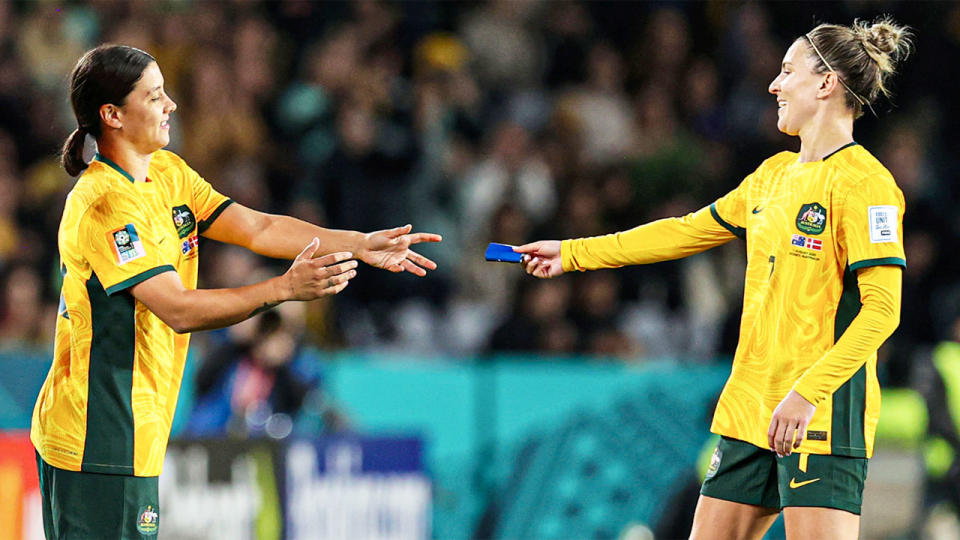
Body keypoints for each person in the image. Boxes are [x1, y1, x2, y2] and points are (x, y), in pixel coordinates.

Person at [516, 18, 912, 539]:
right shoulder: (772, 176)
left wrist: (807, 392)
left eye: (787, 71)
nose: (773, 84)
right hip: (751, 409)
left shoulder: (867, 185)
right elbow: (684, 232)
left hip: (820, 415)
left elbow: (882, 310)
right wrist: (573, 253)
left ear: (825, 83)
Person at [30, 44, 441, 539]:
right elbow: (177, 309)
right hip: (98, 438)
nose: (171, 105)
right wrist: (283, 288)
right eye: (155, 96)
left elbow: (259, 228)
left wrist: (361, 243)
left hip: (128, 434)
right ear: (112, 114)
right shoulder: (103, 206)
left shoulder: (168, 174)